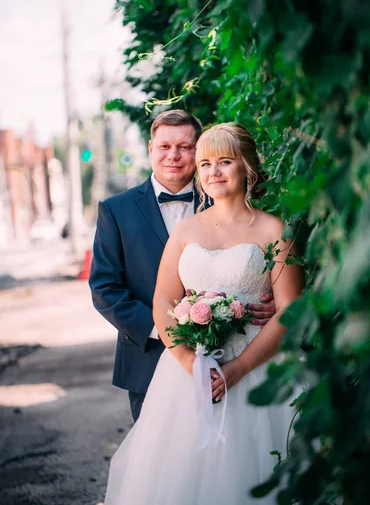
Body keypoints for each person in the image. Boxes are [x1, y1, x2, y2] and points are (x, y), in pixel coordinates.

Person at [103, 122, 304, 505]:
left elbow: (290, 310)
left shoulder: (275, 230)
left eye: (225, 161)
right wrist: (186, 361)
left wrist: (237, 369)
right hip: (190, 373)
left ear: (247, 166)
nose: (213, 171)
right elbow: (163, 302)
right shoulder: (185, 231)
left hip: (259, 366)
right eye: (206, 163)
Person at [89, 110, 276, 422]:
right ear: (150, 149)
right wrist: (171, 333)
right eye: (164, 147)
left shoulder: (223, 195)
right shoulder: (115, 210)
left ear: (198, 149)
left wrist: (266, 301)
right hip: (147, 360)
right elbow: (104, 288)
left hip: (242, 351)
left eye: (185, 147)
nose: (173, 155)